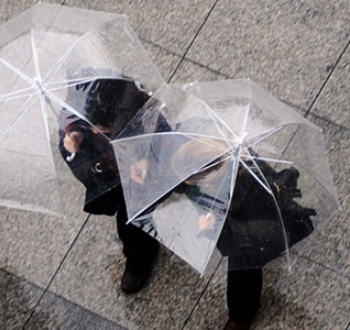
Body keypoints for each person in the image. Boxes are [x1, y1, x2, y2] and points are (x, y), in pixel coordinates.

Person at [169, 138, 315, 330]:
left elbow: (241, 238)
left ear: (211, 174)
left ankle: (241, 316)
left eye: (194, 181)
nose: (191, 185)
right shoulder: (217, 158)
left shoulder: (250, 188)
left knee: (243, 265)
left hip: (271, 227)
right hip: (242, 213)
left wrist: (212, 228)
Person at [58, 76, 170, 293]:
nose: (95, 132)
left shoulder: (150, 121)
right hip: (109, 179)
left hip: (139, 184)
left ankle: (140, 257)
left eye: (103, 129)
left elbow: (169, 149)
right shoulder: (79, 119)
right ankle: (138, 254)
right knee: (127, 222)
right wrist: (74, 150)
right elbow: (79, 162)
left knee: (132, 222)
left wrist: (145, 158)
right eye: (93, 127)